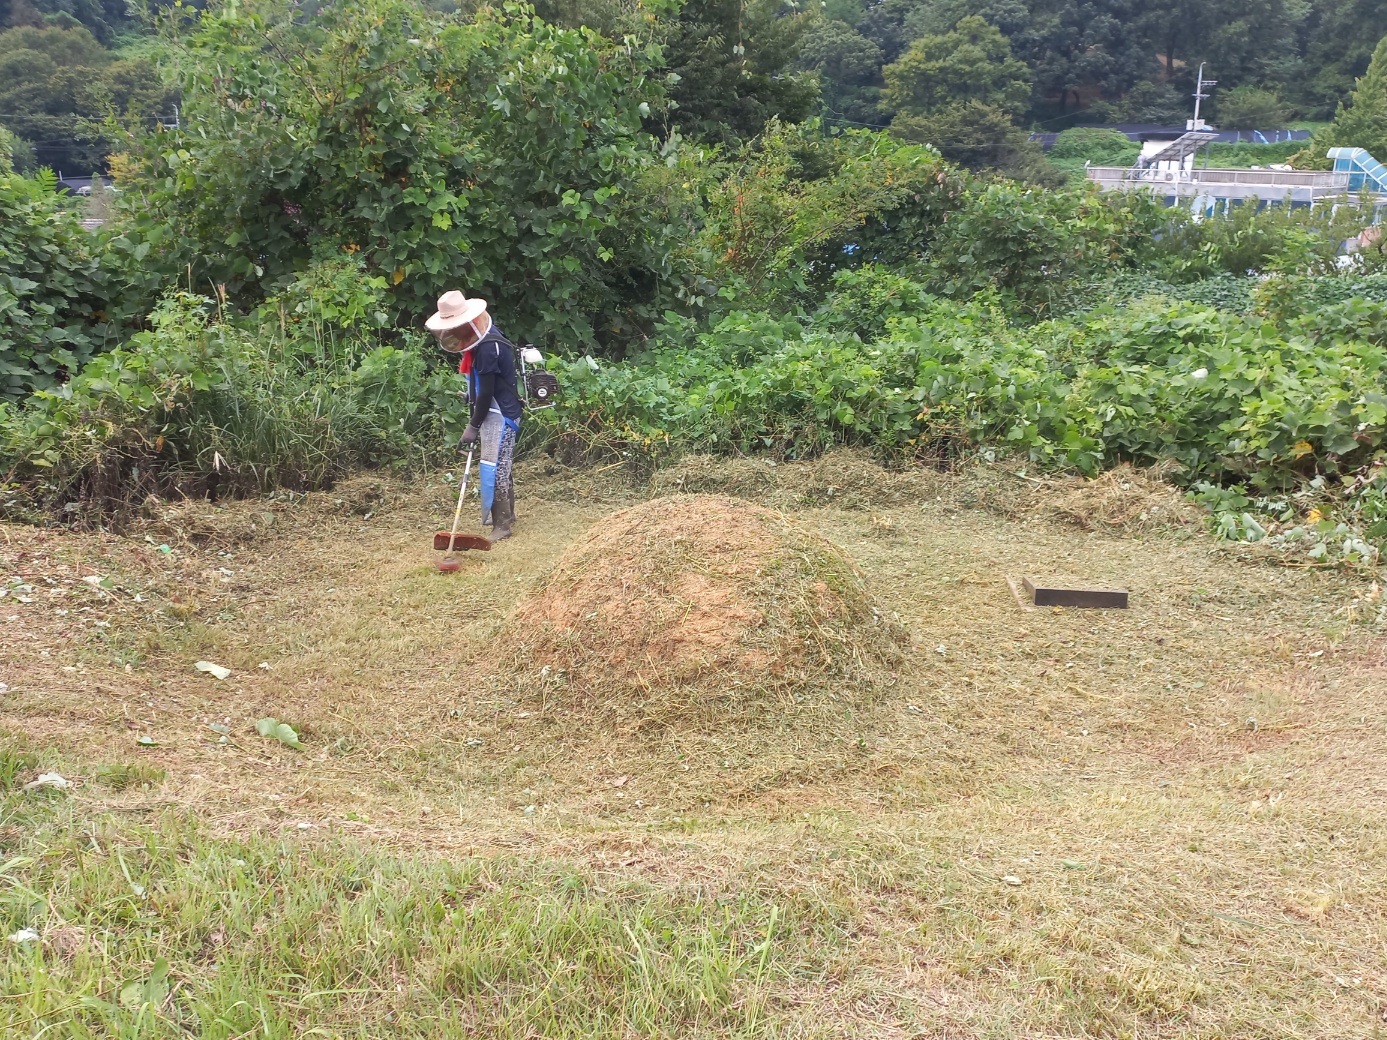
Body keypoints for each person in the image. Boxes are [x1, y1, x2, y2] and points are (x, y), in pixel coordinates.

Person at [425, 291, 523, 540]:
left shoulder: (489, 348)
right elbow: (483, 385)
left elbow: (488, 391)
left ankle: (502, 525)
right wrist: (470, 395)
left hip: (502, 414)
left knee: (496, 468)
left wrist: (472, 426)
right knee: (501, 466)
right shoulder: (480, 343)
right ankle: (507, 515)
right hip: (493, 409)